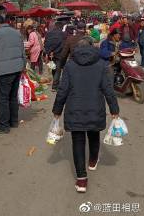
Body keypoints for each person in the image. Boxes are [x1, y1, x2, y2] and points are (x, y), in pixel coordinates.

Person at [52, 44, 119, 193]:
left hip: (74, 108)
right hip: (95, 107)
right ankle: (93, 161)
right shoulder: (101, 65)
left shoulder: (70, 66)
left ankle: (81, 179)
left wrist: (57, 110)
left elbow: (63, 89)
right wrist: (114, 109)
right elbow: (108, 89)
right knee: (94, 134)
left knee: (78, 141)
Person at [44, 21, 66, 91]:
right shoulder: (62, 34)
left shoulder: (48, 33)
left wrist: (49, 52)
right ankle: (55, 86)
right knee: (58, 69)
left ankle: (55, 82)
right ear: (60, 27)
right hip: (58, 53)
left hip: (51, 54)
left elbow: (46, 42)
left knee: (53, 68)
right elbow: (63, 44)